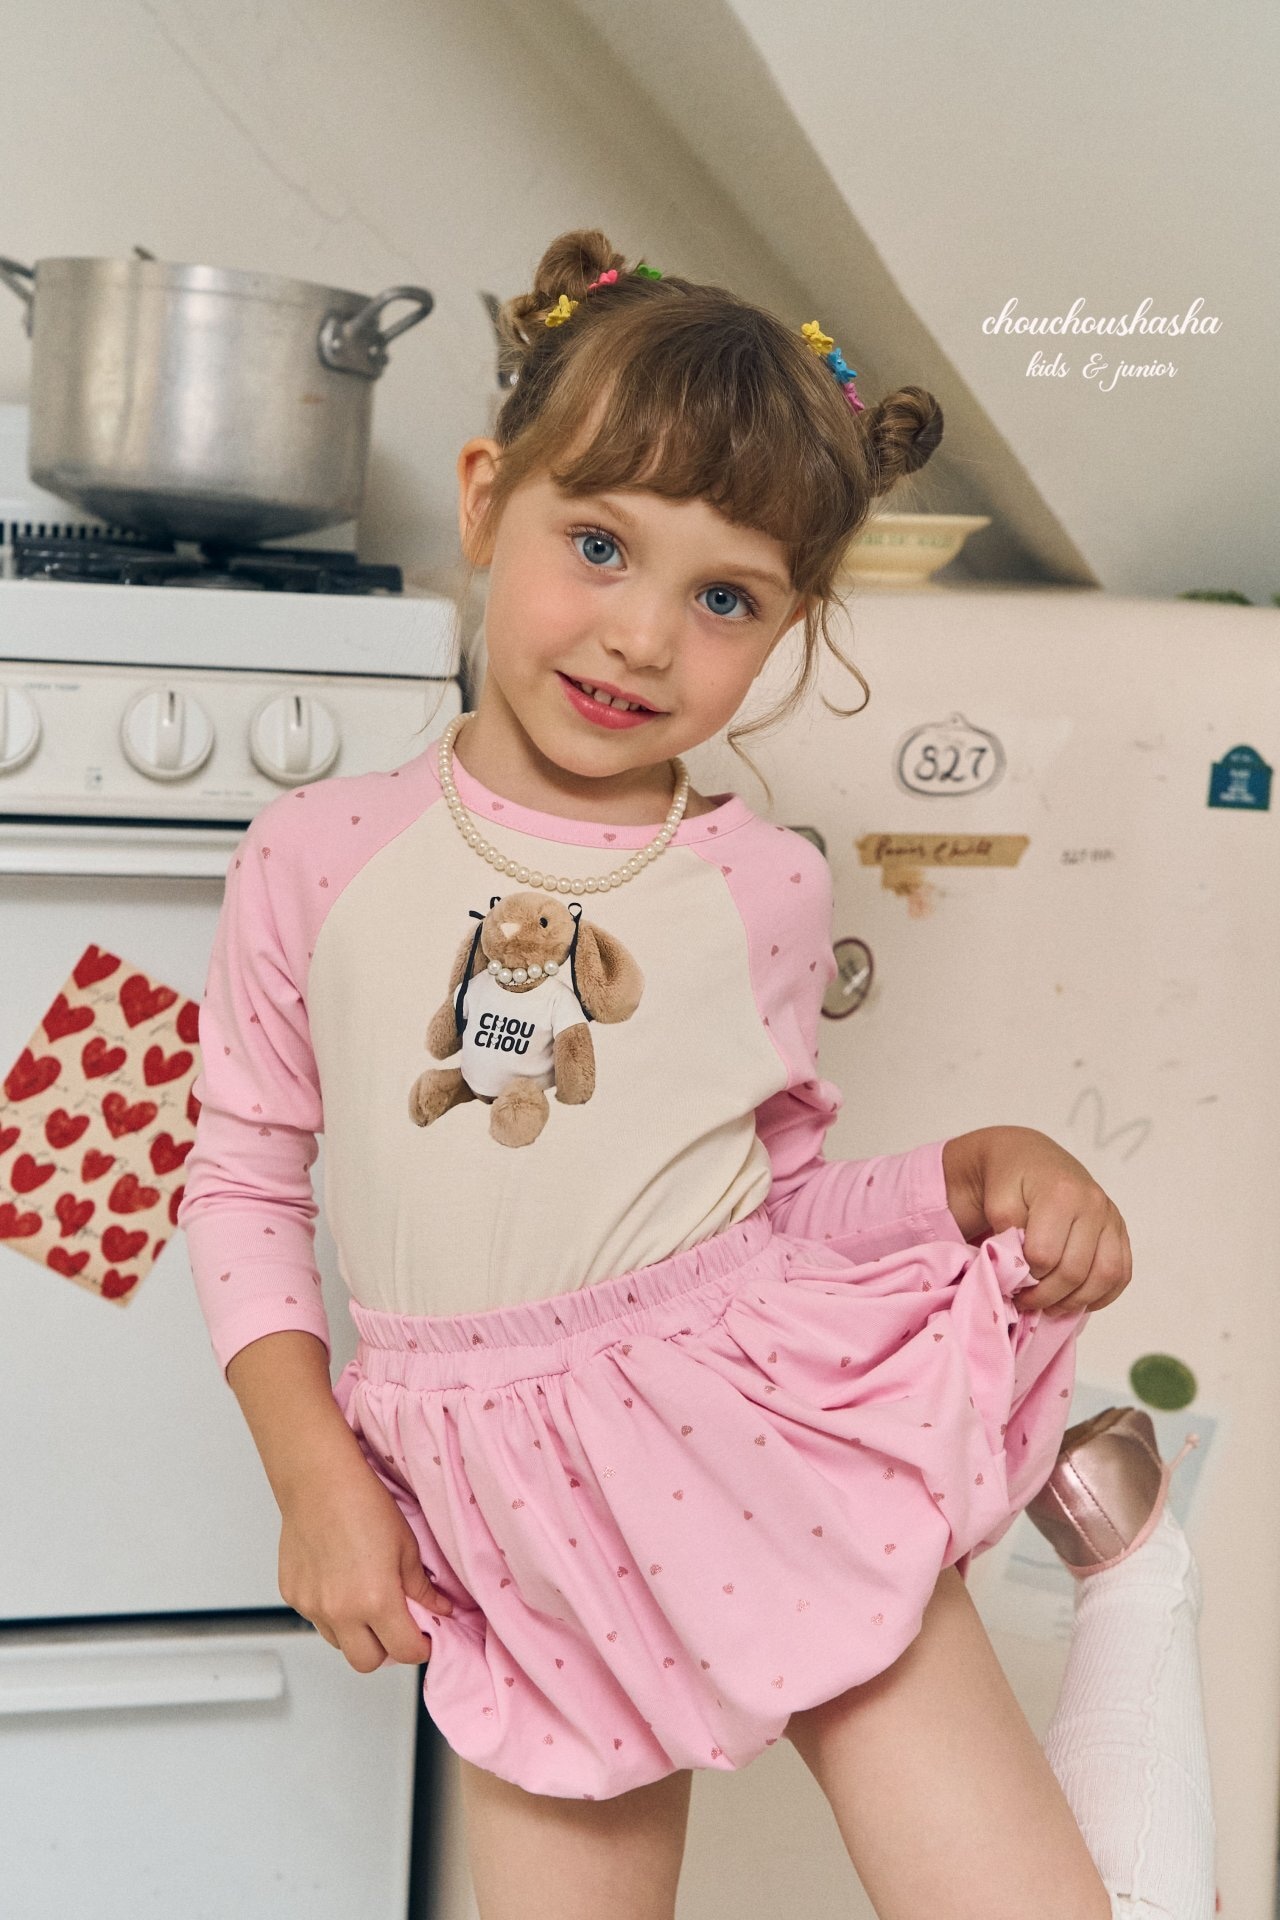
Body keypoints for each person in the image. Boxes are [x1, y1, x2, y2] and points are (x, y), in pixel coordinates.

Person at [177, 230, 1215, 1920]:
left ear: (791, 622)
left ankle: (1136, 1579)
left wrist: (965, 1173)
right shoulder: (319, 855)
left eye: (725, 598)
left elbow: (757, 1214)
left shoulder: (761, 887)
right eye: (598, 546)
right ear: (485, 500)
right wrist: (313, 1473)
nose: (643, 637)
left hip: (764, 1440)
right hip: (505, 1507)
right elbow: (239, 1183)